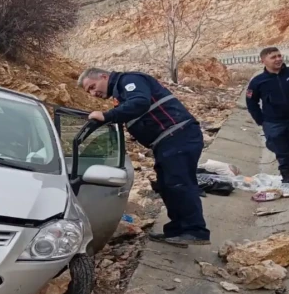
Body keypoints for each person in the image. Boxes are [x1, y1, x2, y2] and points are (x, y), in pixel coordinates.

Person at [77, 67, 210, 247]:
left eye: (93, 87)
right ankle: (177, 231)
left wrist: (107, 116)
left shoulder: (129, 81)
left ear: (103, 76)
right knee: (167, 185)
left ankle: (195, 231)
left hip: (178, 136)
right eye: (89, 91)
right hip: (167, 142)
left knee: (179, 183)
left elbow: (140, 102)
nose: (94, 93)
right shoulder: (121, 94)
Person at [246, 47, 289, 188]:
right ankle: (288, 178)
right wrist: (261, 120)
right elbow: (251, 101)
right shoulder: (258, 81)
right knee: (282, 153)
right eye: (273, 57)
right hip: (274, 123)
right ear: (263, 60)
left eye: (279, 56)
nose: (278, 59)